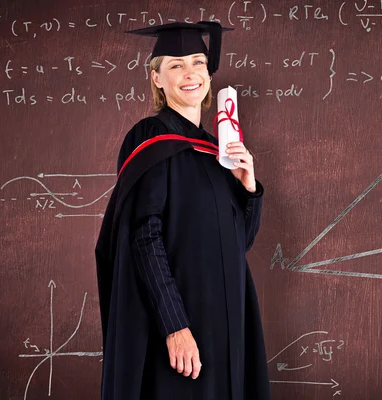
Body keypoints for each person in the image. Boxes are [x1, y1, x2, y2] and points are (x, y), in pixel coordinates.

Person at [95, 21, 271, 400]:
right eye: (175, 65)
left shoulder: (217, 149)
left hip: (225, 323)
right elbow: (144, 236)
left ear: (209, 75)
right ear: (157, 78)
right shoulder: (150, 138)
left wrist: (248, 186)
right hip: (178, 323)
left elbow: (240, 242)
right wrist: (175, 326)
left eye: (197, 63)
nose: (190, 73)